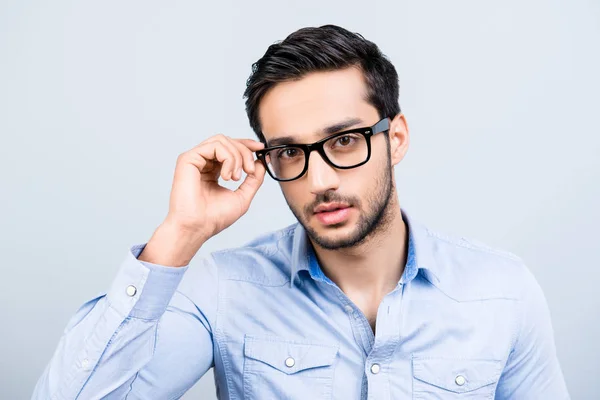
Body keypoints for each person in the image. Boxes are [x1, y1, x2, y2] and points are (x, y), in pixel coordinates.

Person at [32, 25, 569, 399]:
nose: (320, 180)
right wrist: (179, 235)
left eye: (345, 140)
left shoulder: (501, 291)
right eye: (290, 152)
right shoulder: (223, 290)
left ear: (396, 138)